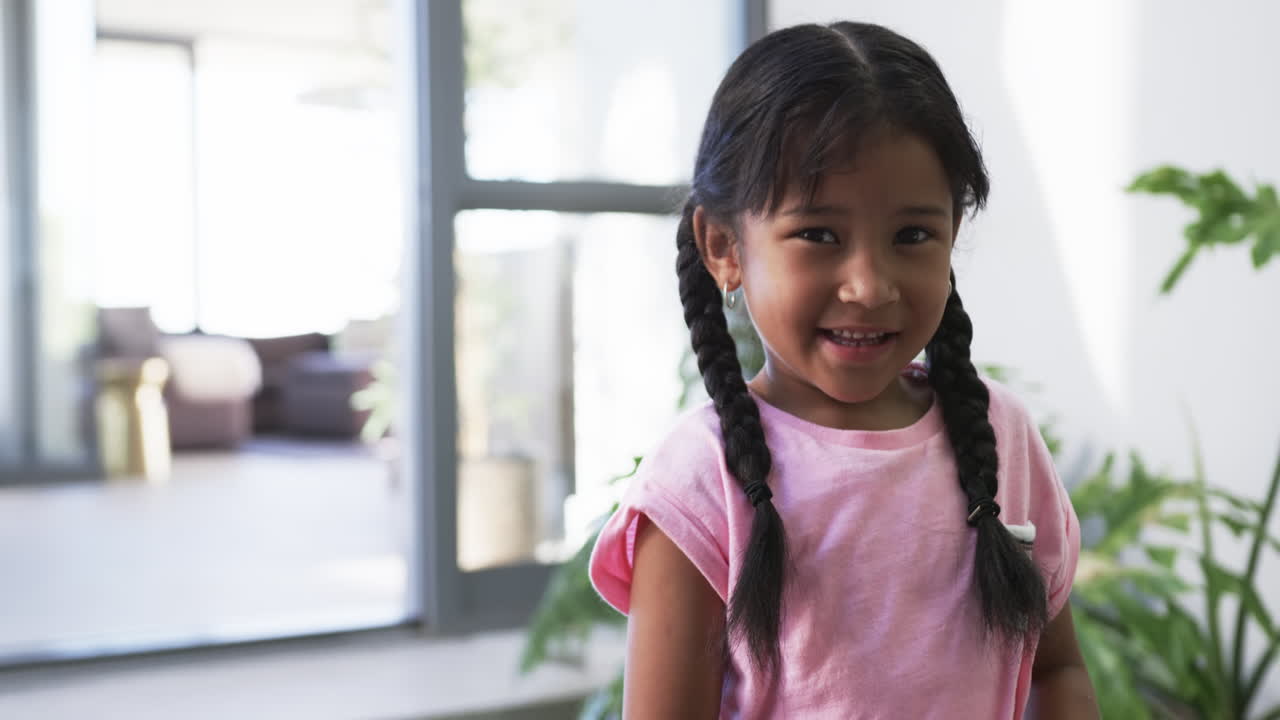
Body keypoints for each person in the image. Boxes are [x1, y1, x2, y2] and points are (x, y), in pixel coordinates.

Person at [587, 21, 1100, 719]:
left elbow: (1057, 671)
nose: (870, 285)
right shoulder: (698, 487)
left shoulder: (1002, 438)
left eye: (912, 235)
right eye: (819, 235)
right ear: (723, 246)